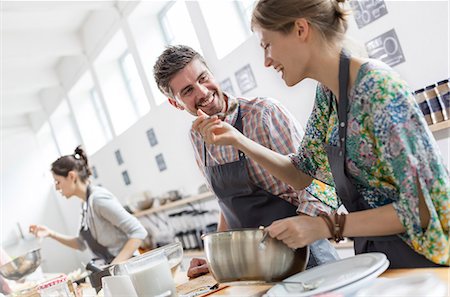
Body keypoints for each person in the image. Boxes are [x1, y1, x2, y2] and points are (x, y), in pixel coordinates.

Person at [193, 0, 450, 268]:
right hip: (380, 254)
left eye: (267, 45)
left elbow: (423, 209)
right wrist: (238, 140)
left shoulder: (377, 89)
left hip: (425, 260)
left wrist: (325, 226)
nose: (267, 61)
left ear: (301, 29)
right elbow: (302, 173)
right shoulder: (328, 94)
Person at [153, 45, 340, 278]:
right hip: (256, 269)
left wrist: (299, 232)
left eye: (203, 78)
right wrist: (217, 257)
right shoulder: (197, 137)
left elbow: (318, 184)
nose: (202, 92)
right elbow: (228, 203)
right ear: (176, 103)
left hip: (306, 258)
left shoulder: (263, 114)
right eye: (188, 91)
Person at [29, 146, 147, 265]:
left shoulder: (98, 199)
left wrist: (114, 266)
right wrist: (50, 233)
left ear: (71, 176)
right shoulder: (85, 204)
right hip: (114, 268)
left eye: (58, 182)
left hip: (128, 266)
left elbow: (138, 231)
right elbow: (80, 244)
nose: (56, 188)